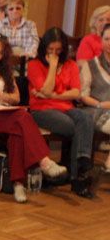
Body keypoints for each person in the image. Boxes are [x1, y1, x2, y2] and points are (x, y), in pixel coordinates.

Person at [0, 35, 67, 203]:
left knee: (17, 132)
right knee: (23, 117)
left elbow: (17, 98)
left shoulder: (5, 71)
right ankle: (44, 161)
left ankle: (18, 184)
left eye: (1, 52)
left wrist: (3, 96)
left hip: (7, 112)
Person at [28, 28, 96, 198]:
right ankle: (78, 176)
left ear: (64, 49)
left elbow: (76, 93)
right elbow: (47, 88)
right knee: (72, 126)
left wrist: (53, 95)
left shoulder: (71, 65)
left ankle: (81, 162)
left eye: (58, 50)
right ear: (44, 48)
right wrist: (52, 66)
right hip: (42, 110)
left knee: (85, 118)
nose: (54, 54)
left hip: (65, 107)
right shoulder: (34, 65)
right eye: (50, 50)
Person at [79, 23, 110, 173]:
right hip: (95, 109)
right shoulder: (90, 65)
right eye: (107, 39)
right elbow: (83, 96)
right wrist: (101, 105)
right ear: (101, 41)